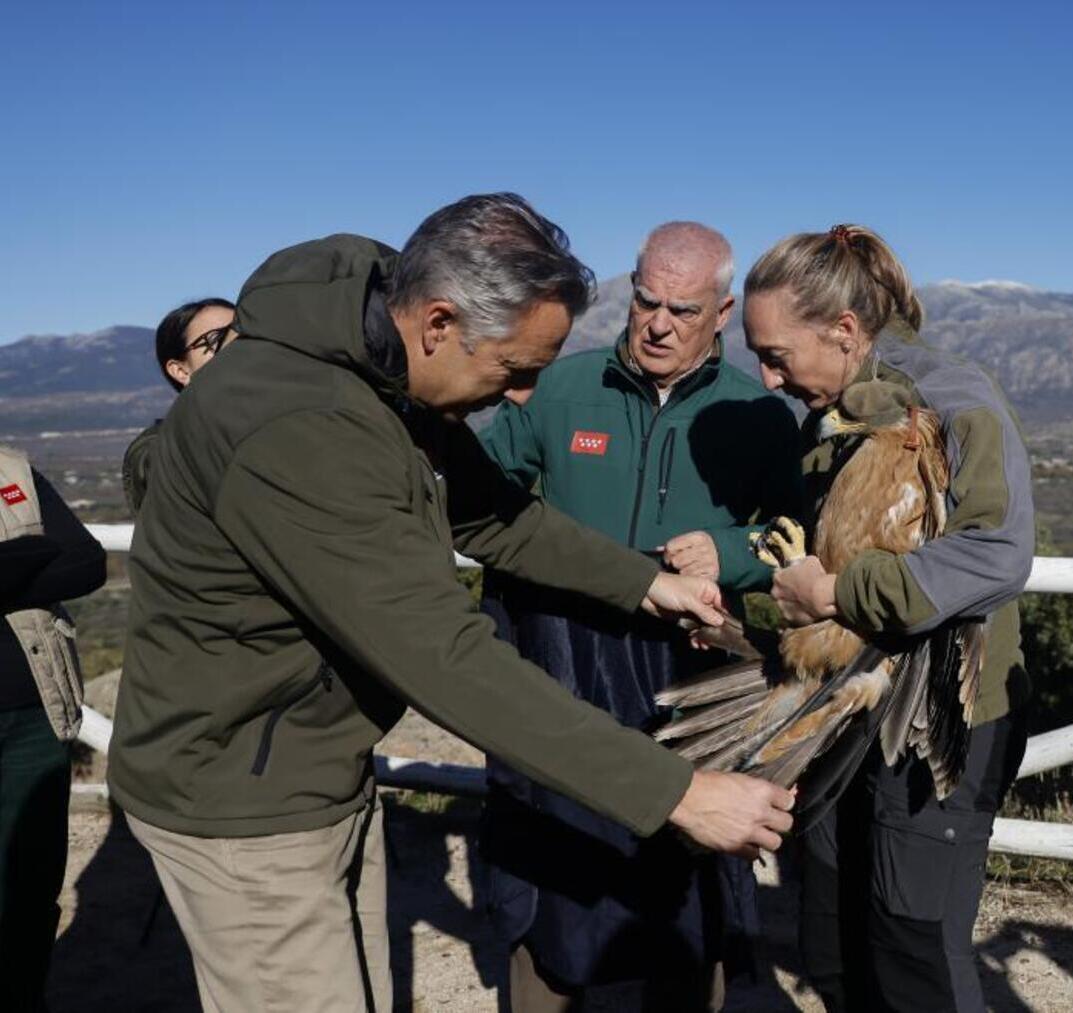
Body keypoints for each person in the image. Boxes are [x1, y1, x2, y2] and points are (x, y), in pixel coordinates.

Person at [106, 193, 797, 1013]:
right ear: (439, 323)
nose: (524, 397)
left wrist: (645, 582)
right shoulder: (304, 428)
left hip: (311, 763)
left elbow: (497, 514)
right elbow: (444, 654)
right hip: (242, 793)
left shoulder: (383, 366)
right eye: (513, 368)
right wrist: (678, 792)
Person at [478, 221, 803, 1011]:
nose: (658, 323)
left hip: (691, 680)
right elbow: (480, 490)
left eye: (682, 310)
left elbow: (801, 536)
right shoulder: (561, 388)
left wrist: (730, 551)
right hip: (562, 669)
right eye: (645, 300)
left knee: (684, 872)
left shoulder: (758, 414)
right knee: (557, 863)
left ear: (722, 312)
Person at [741, 224, 1035, 1012]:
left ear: (843, 329)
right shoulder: (830, 414)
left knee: (915, 954)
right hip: (845, 706)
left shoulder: (955, 398)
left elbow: (997, 554)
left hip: (943, 715)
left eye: (777, 355)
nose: (768, 378)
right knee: (832, 939)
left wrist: (839, 595)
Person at [0, 449, 106, 1012]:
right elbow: (54, 561)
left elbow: (85, 563)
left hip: (35, 714)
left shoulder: (12, 471)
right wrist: (28, 560)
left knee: (33, 884)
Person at [121, 297, 238, 514]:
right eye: (218, 339)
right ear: (181, 371)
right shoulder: (157, 448)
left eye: (245, 336)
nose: (237, 346)